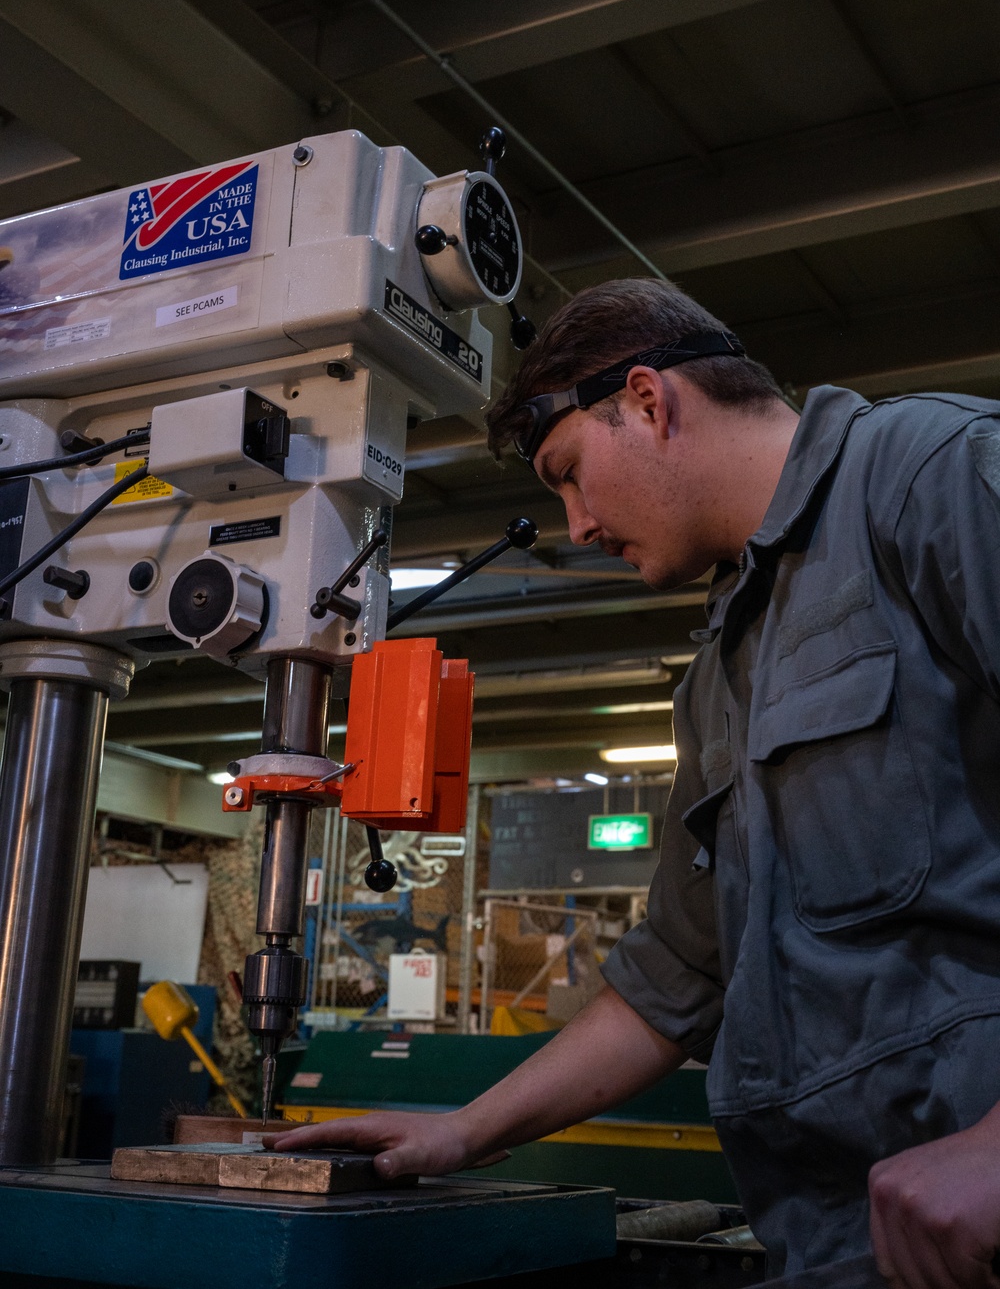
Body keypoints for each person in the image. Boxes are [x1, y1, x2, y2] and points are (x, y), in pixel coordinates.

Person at [270, 278, 1000, 1287]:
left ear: (651, 402)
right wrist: (464, 1132)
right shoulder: (719, 681)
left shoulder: (930, 474)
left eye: (569, 473)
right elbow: (675, 980)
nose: (575, 525)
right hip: (841, 1243)